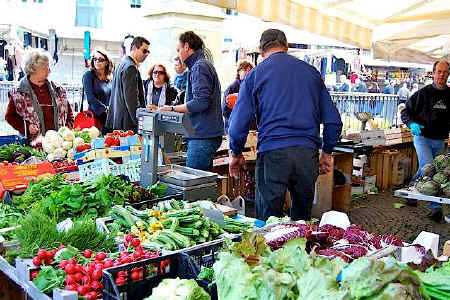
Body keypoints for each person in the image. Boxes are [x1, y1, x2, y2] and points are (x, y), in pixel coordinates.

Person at [228, 29, 342, 221]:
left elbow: (238, 123)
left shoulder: (255, 75)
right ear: (286, 46)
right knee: (302, 220)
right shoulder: (311, 73)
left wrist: (236, 153)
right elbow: (333, 120)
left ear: (260, 50)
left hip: (273, 153)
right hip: (307, 154)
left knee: (268, 221)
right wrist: (327, 152)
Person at [160, 31, 224, 171]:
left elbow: (200, 102)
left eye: (179, 49)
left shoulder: (199, 67)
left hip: (202, 136)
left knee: (196, 187)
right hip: (203, 135)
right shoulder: (200, 65)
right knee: (201, 185)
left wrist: (172, 109)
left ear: (187, 47)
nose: (178, 54)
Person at [401, 60, 450, 222]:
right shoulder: (423, 93)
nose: (442, 75)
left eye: (445, 72)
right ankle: (435, 208)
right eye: (439, 72)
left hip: (439, 140)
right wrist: (411, 124)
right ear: (433, 73)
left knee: (427, 168)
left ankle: (412, 187)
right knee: (429, 168)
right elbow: (406, 111)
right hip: (422, 137)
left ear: (448, 74)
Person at [6, 49, 74, 144]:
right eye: (46, 67)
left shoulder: (59, 90)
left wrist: (68, 128)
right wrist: (27, 126)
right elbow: (10, 117)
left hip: (59, 146)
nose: (49, 71)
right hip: (33, 145)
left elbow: (70, 114)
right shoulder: (18, 92)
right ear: (33, 69)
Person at [106, 36, 149, 131]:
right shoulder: (130, 67)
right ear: (134, 48)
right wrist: (140, 124)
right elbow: (132, 101)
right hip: (127, 125)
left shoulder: (122, 64)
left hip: (119, 122)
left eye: (148, 52)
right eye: (144, 51)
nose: (146, 54)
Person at [82, 48, 113, 131]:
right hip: (94, 118)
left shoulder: (110, 78)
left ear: (106, 62)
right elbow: (90, 98)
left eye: (101, 59)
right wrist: (105, 109)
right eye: (95, 59)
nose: (97, 61)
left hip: (108, 118)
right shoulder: (88, 75)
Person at [222, 60, 253, 134]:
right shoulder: (233, 87)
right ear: (239, 72)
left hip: (250, 129)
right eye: (245, 70)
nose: (248, 73)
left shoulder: (253, 88)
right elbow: (224, 110)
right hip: (234, 128)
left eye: (250, 70)